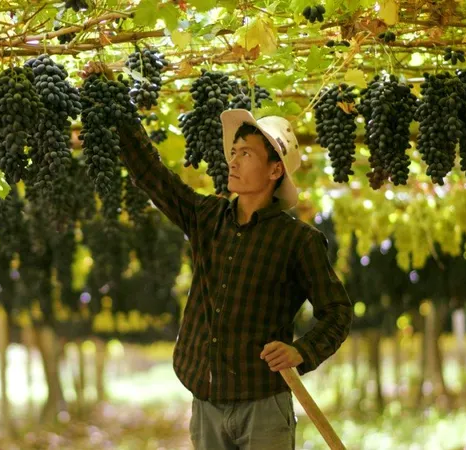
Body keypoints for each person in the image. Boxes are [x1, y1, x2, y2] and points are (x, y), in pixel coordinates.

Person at [81, 63, 353, 450]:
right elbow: (151, 174)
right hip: (206, 400)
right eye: (234, 151)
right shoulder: (207, 218)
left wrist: (301, 352)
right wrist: (112, 96)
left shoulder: (299, 240)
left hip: (264, 403)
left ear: (275, 169)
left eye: (247, 153)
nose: (234, 160)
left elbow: (338, 313)